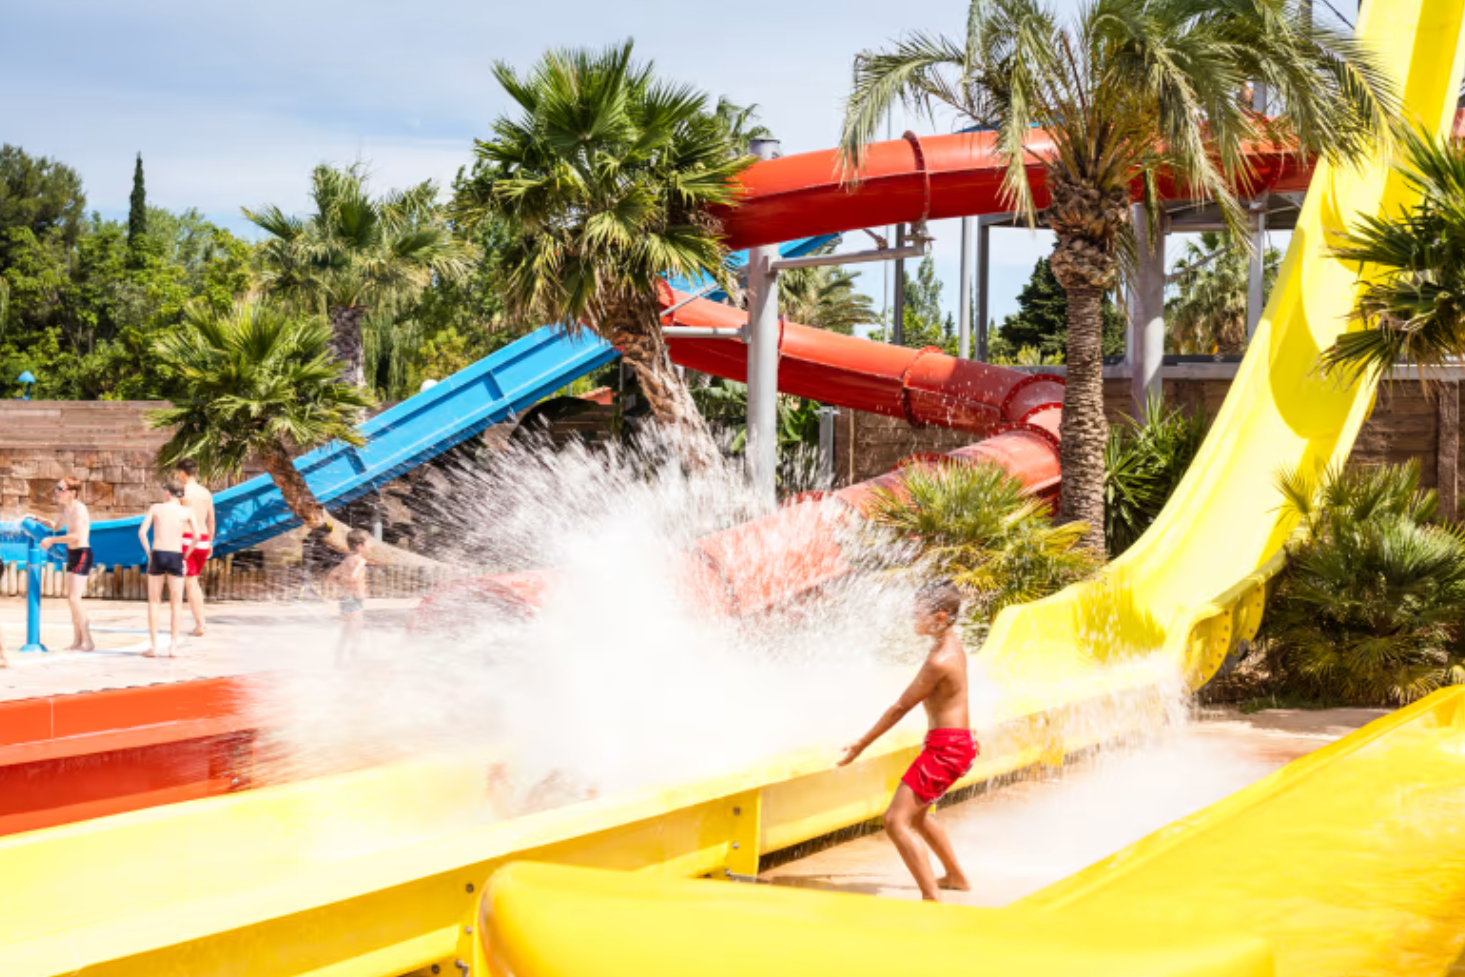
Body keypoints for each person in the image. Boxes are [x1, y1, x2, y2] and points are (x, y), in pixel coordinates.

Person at [837, 580, 976, 902]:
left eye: (919, 612)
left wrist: (861, 744)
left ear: (940, 616)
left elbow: (900, 707)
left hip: (946, 749)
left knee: (895, 821)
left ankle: (931, 900)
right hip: (954, 744)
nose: (912, 616)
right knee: (916, 816)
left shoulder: (939, 661)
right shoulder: (952, 645)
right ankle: (956, 877)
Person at [34, 476, 95, 652]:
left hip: (82, 553)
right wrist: (37, 518)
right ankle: (77, 640)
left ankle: (88, 641)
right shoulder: (67, 509)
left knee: (76, 599)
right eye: (57, 488)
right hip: (72, 553)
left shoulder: (79, 510)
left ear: (72, 493)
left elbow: (77, 536)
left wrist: (52, 540)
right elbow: (56, 526)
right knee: (71, 600)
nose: (57, 492)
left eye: (61, 489)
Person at [138, 481, 197, 658]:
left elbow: (141, 532)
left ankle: (154, 647)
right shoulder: (187, 511)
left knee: (154, 601)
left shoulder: (156, 508)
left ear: (167, 492)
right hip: (176, 555)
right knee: (176, 602)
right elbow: (196, 536)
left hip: (158, 554)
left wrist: (150, 555)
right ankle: (173, 647)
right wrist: (185, 557)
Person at [173, 458, 216, 638]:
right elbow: (211, 520)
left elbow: (176, 518)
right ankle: (200, 622)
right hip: (204, 539)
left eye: (177, 472)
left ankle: (200, 624)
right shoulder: (205, 493)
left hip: (187, 539)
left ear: (182, 472)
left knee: (189, 584)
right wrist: (211, 543)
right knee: (194, 582)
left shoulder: (183, 492)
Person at [326, 528, 370, 661]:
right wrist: (359, 569)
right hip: (354, 600)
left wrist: (343, 587)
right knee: (356, 631)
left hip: (347, 598)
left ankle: (339, 657)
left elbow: (331, 577)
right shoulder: (359, 560)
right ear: (359, 546)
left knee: (348, 630)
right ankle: (353, 659)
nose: (370, 545)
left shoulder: (347, 560)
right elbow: (353, 577)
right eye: (368, 542)